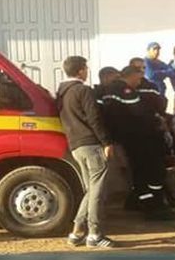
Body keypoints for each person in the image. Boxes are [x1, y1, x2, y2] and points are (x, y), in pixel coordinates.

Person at [56, 56, 116, 248]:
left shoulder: (62, 93)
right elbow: (94, 118)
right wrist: (106, 142)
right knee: (97, 190)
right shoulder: (83, 90)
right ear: (81, 71)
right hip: (91, 144)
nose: (87, 70)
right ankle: (95, 234)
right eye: (86, 68)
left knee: (91, 190)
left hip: (75, 145)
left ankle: (77, 232)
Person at [102, 66, 175, 220]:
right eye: (138, 79)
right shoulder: (126, 91)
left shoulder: (109, 90)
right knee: (152, 172)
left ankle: (141, 203)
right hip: (140, 139)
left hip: (127, 139)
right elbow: (141, 113)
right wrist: (158, 120)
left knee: (139, 174)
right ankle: (155, 208)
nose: (139, 82)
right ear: (131, 76)